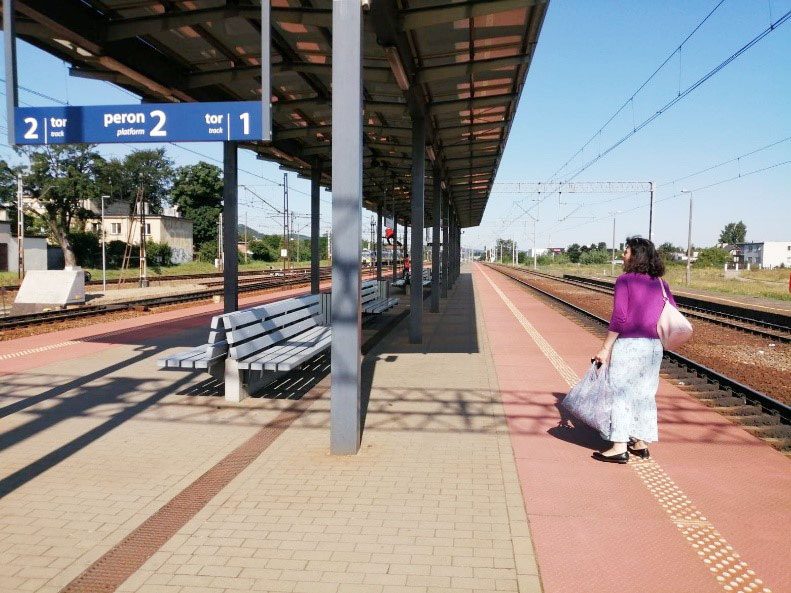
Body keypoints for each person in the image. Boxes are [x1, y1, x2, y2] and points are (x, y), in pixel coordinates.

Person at [592, 237, 677, 464]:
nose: (623, 255)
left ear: (636, 255)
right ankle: (640, 443)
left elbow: (620, 317)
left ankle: (619, 446)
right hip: (653, 347)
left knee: (621, 394)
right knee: (645, 394)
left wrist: (605, 348)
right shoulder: (661, 284)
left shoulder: (624, 281)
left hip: (629, 345)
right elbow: (672, 313)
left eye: (626, 251)